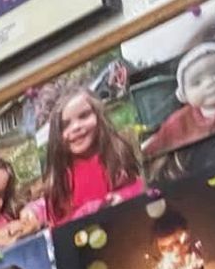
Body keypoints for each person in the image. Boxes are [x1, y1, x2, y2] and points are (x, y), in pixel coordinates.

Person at [45, 87, 146, 226]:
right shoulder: (59, 180)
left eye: (84, 116)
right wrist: (84, 214)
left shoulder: (117, 153)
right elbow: (58, 227)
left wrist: (122, 198)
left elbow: (141, 187)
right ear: (56, 135)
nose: (76, 127)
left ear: (99, 116)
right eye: (65, 125)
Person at [142, 41, 215, 161]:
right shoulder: (179, 121)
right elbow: (156, 145)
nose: (210, 83)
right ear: (184, 94)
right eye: (197, 83)